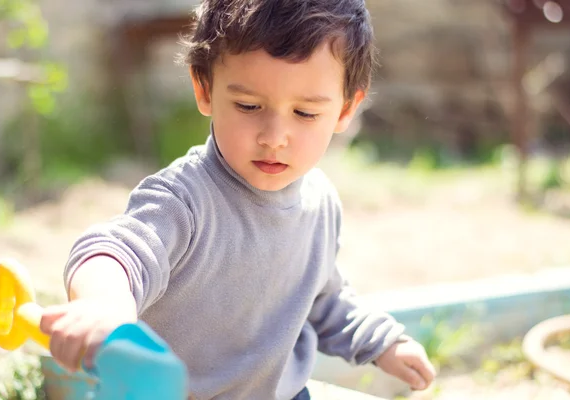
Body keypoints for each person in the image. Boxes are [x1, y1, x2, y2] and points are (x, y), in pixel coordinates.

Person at [39, 0, 436, 399]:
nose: (274, 136)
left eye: (305, 113)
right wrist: (104, 306)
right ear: (204, 89)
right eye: (249, 106)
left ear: (345, 109)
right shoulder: (185, 200)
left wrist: (384, 343)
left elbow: (324, 301)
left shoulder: (320, 203)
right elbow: (115, 252)